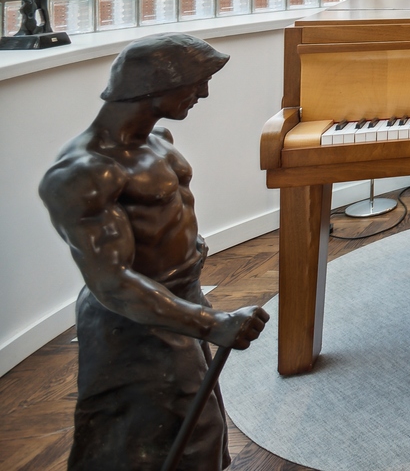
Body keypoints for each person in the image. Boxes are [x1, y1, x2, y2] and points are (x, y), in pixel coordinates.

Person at [39, 34, 270, 471]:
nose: (203, 93)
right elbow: (112, 283)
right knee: (172, 435)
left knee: (200, 426)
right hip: (134, 322)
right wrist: (213, 324)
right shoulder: (84, 173)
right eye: (195, 83)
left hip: (181, 297)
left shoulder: (159, 139)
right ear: (153, 85)